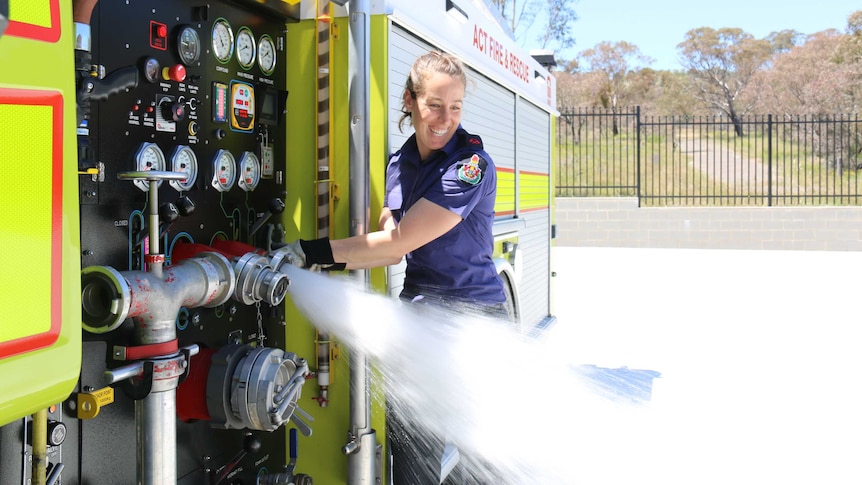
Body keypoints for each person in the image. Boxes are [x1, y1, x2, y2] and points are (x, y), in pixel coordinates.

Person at [280, 50, 508, 483]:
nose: (445, 119)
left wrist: (309, 252)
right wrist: (388, 220)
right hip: (422, 319)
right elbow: (391, 238)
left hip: (473, 319)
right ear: (409, 100)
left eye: (455, 107)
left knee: (481, 462)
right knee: (413, 461)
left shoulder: (471, 167)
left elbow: (398, 242)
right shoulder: (399, 162)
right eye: (434, 105)